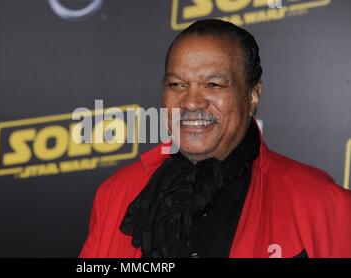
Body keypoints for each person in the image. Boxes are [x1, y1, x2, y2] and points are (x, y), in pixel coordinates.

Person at [79, 19, 351, 258]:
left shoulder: (325, 206)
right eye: (177, 84)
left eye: (213, 84)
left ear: (252, 95)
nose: (191, 102)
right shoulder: (116, 194)